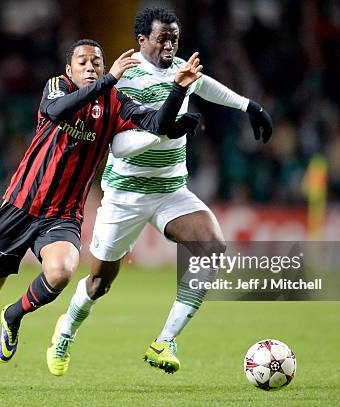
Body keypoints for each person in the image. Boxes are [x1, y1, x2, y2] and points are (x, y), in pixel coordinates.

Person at [0, 38, 204, 391]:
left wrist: (176, 92)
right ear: (69, 69)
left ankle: (14, 314)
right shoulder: (58, 87)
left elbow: (157, 124)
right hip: (19, 207)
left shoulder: (114, 103)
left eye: (97, 61)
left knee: (62, 272)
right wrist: (109, 79)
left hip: (62, 215)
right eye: (82, 61)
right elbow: (56, 112)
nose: (90, 66)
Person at [47, 8, 273, 376]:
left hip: (171, 191)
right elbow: (117, 147)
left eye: (174, 38)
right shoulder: (122, 79)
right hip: (125, 195)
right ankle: (67, 330)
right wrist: (166, 131)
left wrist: (248, 106)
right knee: (100, 283)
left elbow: (205, 84)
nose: (169, 45)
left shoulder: (179, 69)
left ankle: (165, 340)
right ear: (142, 41)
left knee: (212, 247)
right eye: (162, 38)